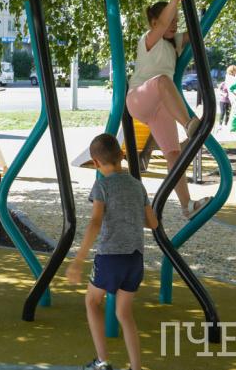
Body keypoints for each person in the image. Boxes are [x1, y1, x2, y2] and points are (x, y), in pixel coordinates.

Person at [66, 134, 158, 370]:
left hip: (110, 257)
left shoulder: (102, 186)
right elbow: (153, 223)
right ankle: (136, 367)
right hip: (135, 258)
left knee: (92, 302)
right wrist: (130, 214)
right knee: (124, 313)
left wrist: (78, 260)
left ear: (96, 162)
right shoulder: (137, 185)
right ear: (121, 155)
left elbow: (95, 222)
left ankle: (102, 361)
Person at [125, 0, 210, 219]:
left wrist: (214, 2)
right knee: (162, 80)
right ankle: (189, 124)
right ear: (154, 22)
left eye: (176, 21)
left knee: (174, 154)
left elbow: (198, 31)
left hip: (160, 106)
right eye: (170, 20)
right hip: (139, 98)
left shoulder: (174, 43)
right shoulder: (149, 39)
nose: (173, 24)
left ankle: (187, 206)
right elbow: (163, 24)